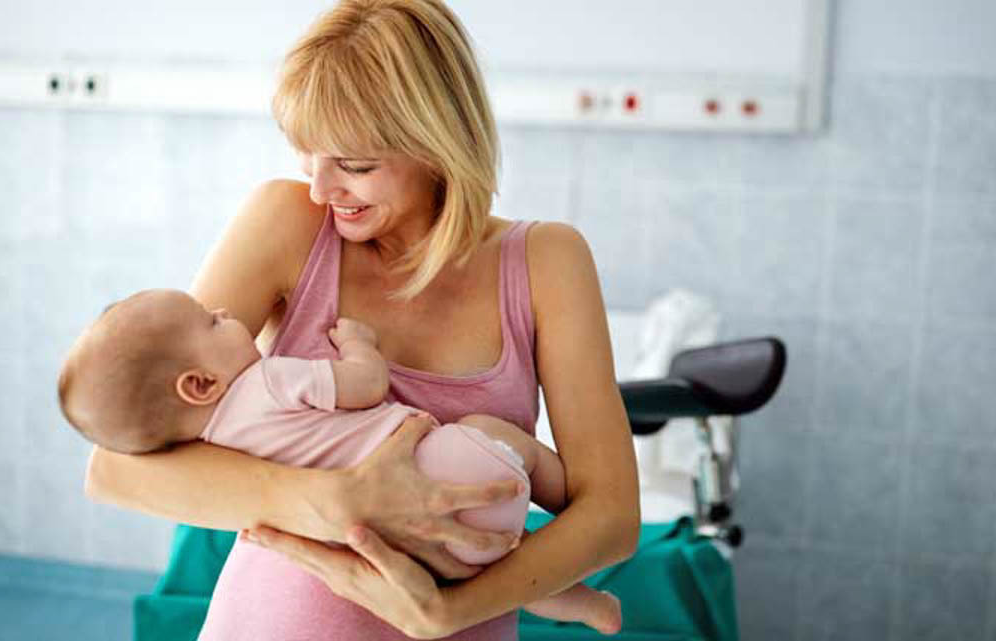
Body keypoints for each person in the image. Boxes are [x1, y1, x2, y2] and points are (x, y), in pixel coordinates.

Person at [83, 0, 640, 639]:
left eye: (354, 165)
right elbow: (118, 468)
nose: (322, 190)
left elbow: (612, 515)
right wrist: (336, 501)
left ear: (437, 145)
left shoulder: (547, 261)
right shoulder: (288, 223)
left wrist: (449, 611)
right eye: (307, 156)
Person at [59, 288, 622, 634]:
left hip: (373, 546)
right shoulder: (268, 383)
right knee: (496, 439)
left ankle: (575, 602)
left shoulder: (214, 447)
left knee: (490, 559)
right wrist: (360, 345)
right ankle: (563, 495)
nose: (226, 311)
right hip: (445, 467)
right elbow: (363, 386)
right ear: (200, 382)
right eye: (211, 321)